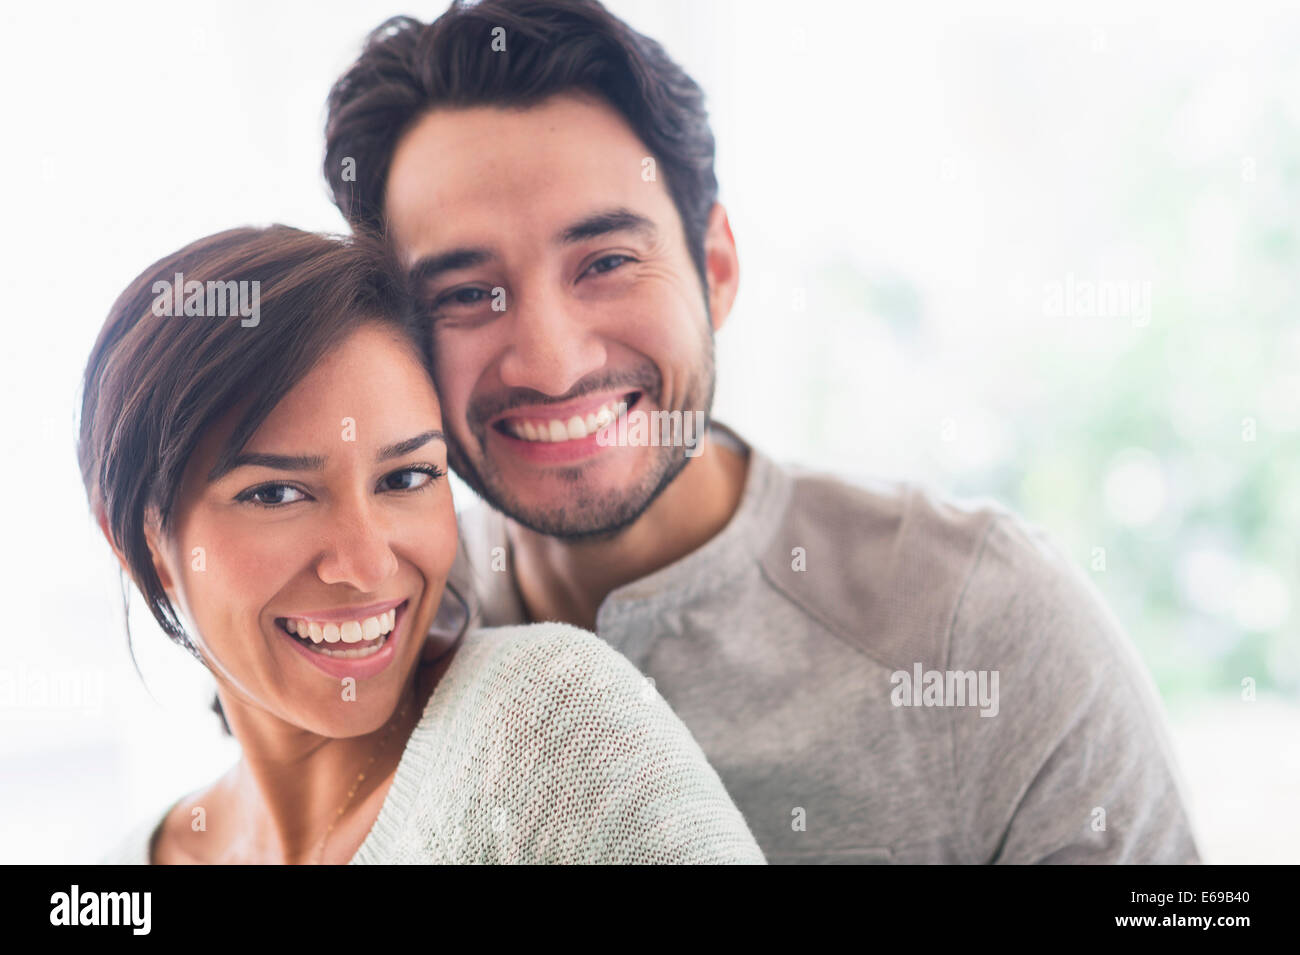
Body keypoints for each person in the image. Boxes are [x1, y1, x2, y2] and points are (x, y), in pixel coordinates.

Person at [322, 0, 1203, 863]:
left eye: (607, 263)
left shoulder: (984, 624)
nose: (551, 364)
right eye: (467, 295)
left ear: (717, 267)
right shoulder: (369, 631)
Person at [82, 225, 765, 864]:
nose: (368, 563)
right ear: (139, 539)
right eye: (276, 494)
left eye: (407, 476)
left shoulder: (550, 727)